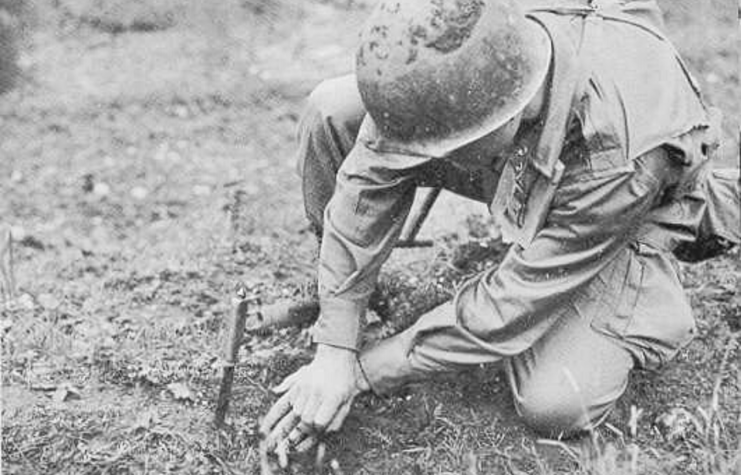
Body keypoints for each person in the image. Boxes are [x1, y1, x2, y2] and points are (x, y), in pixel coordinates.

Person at [260, 0, 741, 461]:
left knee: (557, 400)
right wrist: (336, 347)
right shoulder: (490, 38)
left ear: (507, 116)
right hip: (535, 154)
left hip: (625, 188)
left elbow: (516, 299)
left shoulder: (618, 156)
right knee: (334, 108)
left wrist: (365, 371)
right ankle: (349, 296)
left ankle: (698, 221)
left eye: (439, 145)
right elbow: (370, 172)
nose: (417, 157)